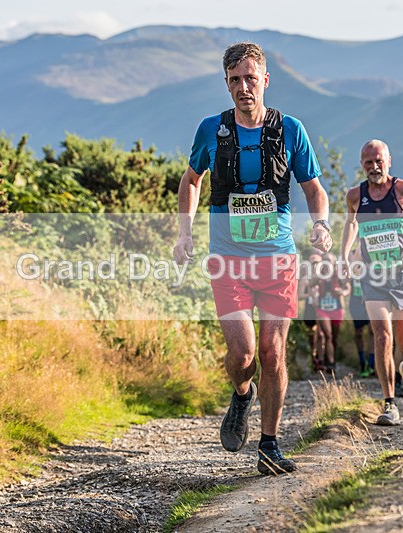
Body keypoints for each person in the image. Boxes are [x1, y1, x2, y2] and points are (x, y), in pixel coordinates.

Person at [173, 42, 331, 475]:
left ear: (265, 79)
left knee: (273, 352)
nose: (244, 87)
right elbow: (191, 180)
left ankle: (270, 444)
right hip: (227, 259)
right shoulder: (211, 130)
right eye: (235, 79)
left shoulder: (290, 130)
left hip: (277, 259)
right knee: (243, 354)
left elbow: (315, 190)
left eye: (250, 77)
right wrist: (184, 232)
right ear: (226, 84)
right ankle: (242, 395)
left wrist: (321, 225)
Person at [340, 139, 403, 426]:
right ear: (362, 164)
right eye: (368, 162)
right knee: (382, 336)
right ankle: (389, 403)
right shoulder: (355, 195)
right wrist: (344, 256)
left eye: (379, 160)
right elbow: (352, 223)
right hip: (374, 277)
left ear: (388, 160)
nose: (374, 166)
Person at [314, 252, 350, 373]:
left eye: (329, 260)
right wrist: (313, 295)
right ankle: (331, 364)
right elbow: (309, 285)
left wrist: (343, 293)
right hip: (322, 309)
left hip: (336, 309)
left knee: (334, 337)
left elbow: (348, 287)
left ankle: (329, 359)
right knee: (328, 335)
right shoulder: (318, 275)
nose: (327, 262)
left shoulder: (338, 275)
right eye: (324, 260)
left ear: (334, 262)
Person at [347, 245, 375, 378]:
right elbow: (345, 279)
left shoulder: (371, 255)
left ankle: (372, 363)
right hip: (356, 301)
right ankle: (362, 362)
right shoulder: (352, 255)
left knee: (372, 331)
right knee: (358, 332)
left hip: (371, 298)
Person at [298, 251, 326, 371]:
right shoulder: (305, 279)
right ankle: (313, 357)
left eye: (318, 263)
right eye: (313, 263)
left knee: (321, 334)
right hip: (310, 308)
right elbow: (299, 295)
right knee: (312, 336)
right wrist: (310, 293)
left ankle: (321, 359)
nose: (316, 265)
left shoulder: (325, 277)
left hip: (322, 307)